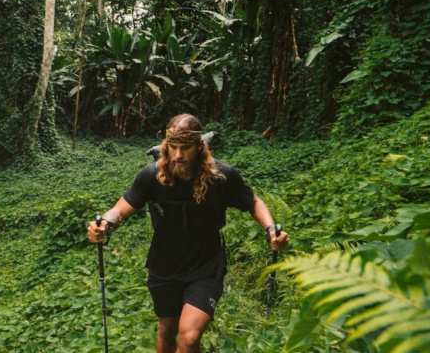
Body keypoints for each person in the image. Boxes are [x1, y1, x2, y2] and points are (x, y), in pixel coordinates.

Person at [86, 114, 289, 353]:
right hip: (164, 265)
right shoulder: (152, 176)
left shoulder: (221, 177)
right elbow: (119, 210)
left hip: (205, 265)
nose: (178, 155)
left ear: (199, 146)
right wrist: (104, 225)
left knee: (190, 338)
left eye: (185, 148)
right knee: (167, 330)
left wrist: (270, 229)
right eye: (172, 148)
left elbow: (253, 202)